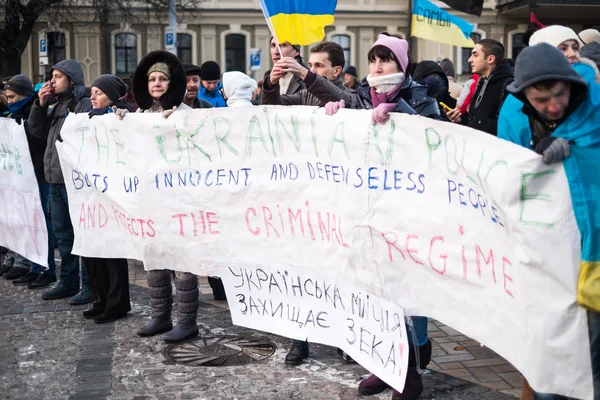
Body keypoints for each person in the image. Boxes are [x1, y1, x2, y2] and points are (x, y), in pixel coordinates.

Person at [326, 33, 436, 400]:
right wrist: (337, 119)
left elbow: (435, 143)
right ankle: (383, 364)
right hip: (369, 207)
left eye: (386, 59)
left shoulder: (420, 97)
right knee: (374, 288)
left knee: (406, 290)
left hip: (409, 210)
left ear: (401, 66)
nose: (377, 66)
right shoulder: (361, 97)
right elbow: (345, 133)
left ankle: (411, 370)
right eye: (374, 59)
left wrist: (401, 117)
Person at [498, 42, 600, 400]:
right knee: (549, 359)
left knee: (592, 362)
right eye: (541, 100)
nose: (553, 105)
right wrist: (537, 158)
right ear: (524, 96)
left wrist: (574, 154)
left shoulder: (596, 110)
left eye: (560, 94)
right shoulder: (514, 116)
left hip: (593, 257)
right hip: (548, 260)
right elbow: (506, 177)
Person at [121, 50, 199, 343]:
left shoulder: (187, 114)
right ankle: (160, 316)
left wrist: (178, 126)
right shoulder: (140, 116)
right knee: (153, 257)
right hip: (151, 202)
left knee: (182, 261)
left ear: (171, 83)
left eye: (162, 79)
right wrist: (121, 125)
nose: (156, 83)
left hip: (180, 201)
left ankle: (187, 321)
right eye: (152, 78)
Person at [28, 60, 94, 305]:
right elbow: (38, 131)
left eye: (57, 76)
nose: (52, 81)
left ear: (71, 79)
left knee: (81, 235)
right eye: (52, 76)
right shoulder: (56, 104)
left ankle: (89, 285)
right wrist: (40, 104)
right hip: (55, 180)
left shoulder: (82, 103)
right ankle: (68, 280)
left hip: (74, 183)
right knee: (63, 235)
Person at [81, 74, 133, 324]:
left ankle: (117, 303)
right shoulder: (86, 119)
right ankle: (100, 299)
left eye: (98, 93)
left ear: (112, 97)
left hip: (112, 194)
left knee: (112, 252)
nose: (92, 97)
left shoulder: (123, 117)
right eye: (92, 92)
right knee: (92, 250)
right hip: (90, 194)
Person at [2, 75, 56, 287]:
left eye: (13, 96)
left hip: (40, 177)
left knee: (42, 224)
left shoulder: (35, 111)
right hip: (23, 178)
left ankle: (46, 268)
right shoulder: (12, 116)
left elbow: (37, 140)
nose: (10, 101)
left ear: (25, 94)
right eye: (7, 97)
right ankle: (34, 266)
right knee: (26, 222)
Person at [262, 41, 356, 108]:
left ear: (336, 71)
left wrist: (304, 73)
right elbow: (274, 106)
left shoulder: (352, 95)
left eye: (319, 65)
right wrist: (271, 84)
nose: (312, 70)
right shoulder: (304, 95)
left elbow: (339, 98)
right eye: (310, 65)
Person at [447, 39, 513, 135]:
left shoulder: (508, 85)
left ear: (490, 59)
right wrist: (460, 120)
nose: (469, 59)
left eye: (475, 55)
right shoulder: (481, 82)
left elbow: (509, 126)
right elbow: (476, 121)